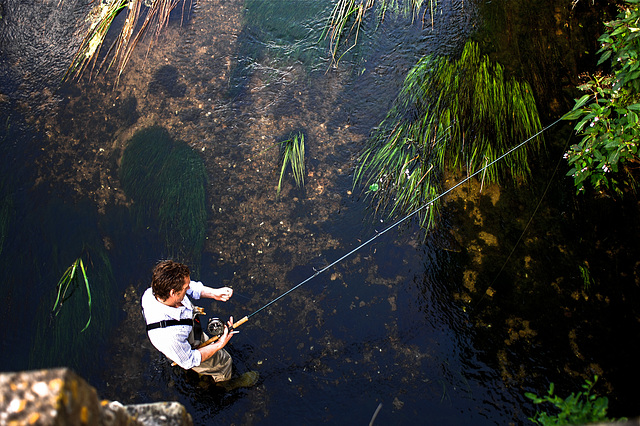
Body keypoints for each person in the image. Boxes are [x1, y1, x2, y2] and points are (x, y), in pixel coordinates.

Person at [141, 260, 238, 382]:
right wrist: (219, 344)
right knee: (223, 362)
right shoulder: (170, 337)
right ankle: (227, 383)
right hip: (183, 346)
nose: (189, 287)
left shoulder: (151, 293)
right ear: (173, 293)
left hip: (186, 328)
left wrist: (213, 293)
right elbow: (189, 360)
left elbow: (190, 286)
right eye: (185, 288)